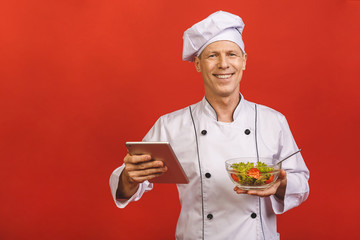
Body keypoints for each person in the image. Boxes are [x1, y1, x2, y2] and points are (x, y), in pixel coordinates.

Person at [109, 10, 310, 240]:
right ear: (197, 64)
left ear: (244, 61)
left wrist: (281, 185)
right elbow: (129, 183)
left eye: (232, 54)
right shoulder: (172, 125)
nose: (224, 64)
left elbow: (301, 183)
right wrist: (129, 176)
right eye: (212, 55)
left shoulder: (273, 121)